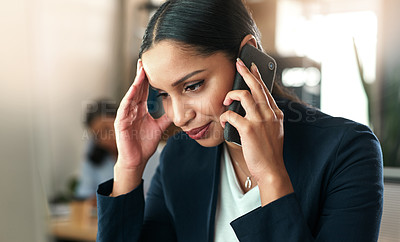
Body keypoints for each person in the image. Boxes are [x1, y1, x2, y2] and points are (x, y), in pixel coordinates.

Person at [96, 0, 384, 241]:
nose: (179, 116)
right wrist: (129, 167)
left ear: (248, 57)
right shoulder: (180, 156)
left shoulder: (348, 152)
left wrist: (271, 176)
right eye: (163, 94)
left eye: (193, 85)